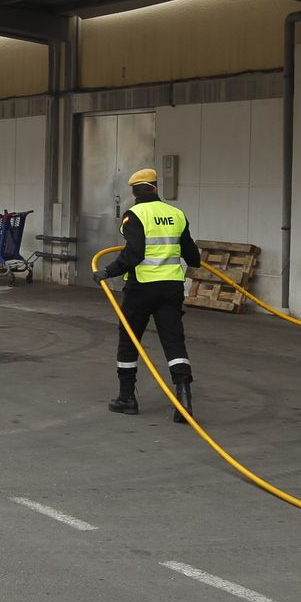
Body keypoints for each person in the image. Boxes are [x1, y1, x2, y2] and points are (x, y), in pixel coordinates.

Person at [91, 167, 202, 422]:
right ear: (155, 188)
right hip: (171, 288)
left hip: (141, 288)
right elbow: (192, 257)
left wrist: (107, 272)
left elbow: (135, 253)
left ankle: (127, 398)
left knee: (129, 339)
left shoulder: (134, 215)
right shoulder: (176, 214)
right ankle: (183, 398)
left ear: (134, 192)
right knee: (174, 341)